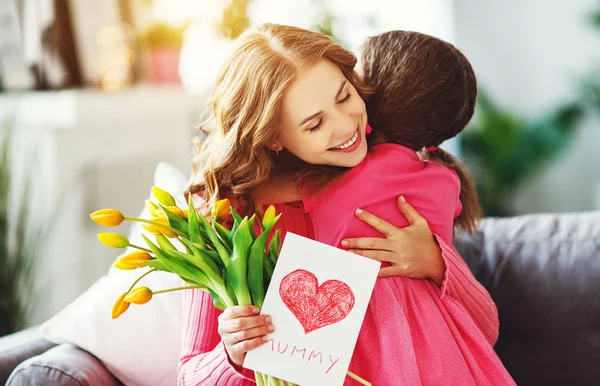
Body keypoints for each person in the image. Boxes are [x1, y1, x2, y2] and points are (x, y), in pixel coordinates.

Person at [179, 24, 504, 385]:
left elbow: (482, 329)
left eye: (345, 96)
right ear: (272, 137)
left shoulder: (387, 188)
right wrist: (232, 351)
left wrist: (437, 262)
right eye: (315, 124)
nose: (347, 126)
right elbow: (190, 375)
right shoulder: (226, 214)